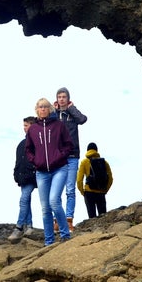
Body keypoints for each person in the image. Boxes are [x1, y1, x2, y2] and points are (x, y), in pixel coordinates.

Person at [26, 98, 73, 246]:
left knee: (54, 200)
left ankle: (65, 234)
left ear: (50, 109)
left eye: (46, 106)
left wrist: (59, 155)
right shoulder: (33, 129)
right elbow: (28, 149)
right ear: (37, 110)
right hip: (41, 172)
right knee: (45, 208)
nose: (43, 109)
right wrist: (36, 161)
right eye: (40, 107)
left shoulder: (59, 125)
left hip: (59, 168)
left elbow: (69, 145)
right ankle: (49, 241)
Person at [54, 87, 87, 232]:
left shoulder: (73, 113)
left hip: (72, 155)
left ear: (68, 99)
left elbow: (83, 119)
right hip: (58, 156)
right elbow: (46, 125)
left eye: (64, 97)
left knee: (70, 189)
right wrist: (55, 112)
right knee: (57, 190)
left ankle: (68, 220)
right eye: (59, 97)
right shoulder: (54, 114)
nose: (61, 99)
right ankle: (58, 220)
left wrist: (71, 108)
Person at [8, 116, 37, 242]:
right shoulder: (21, 144)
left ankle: (19, 227)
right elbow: (18, 161)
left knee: (24, 199)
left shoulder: (38, 142)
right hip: (23, 177)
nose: (24, 128)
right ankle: (29, 226)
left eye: (26, 125)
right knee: (26, 200)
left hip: (33, 176)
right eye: (24, 125)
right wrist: (16, 174)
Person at [77, 142, 113, 219]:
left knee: (92, 218)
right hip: (101, 192)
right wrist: (105, 190)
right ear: (96, 150)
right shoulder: (104, 162)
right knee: (103, 218)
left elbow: (79, 180)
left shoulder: (84, 162)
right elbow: (111, 179)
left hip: (89, 193)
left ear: (87, 151)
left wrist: (83, 192)